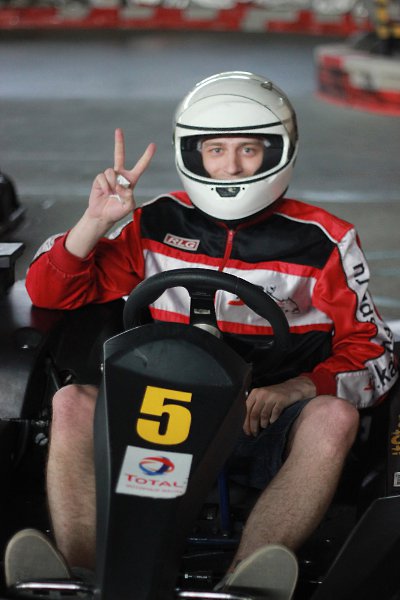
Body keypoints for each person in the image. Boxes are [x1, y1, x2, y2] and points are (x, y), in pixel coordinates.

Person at [5, 72, 398, 597]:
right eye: (216, 150)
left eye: (248, 150)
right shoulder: (154, 222)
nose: (231, 167)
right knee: (72, 402)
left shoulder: (324, 242)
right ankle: (83, 573)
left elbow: (374, 354)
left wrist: (298, 387)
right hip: (154, 407)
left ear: (279, 151)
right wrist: (94, 222)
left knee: (335, 417)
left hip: (264, 417)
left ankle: (249, 576)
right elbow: (49, 293)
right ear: (192, 153)